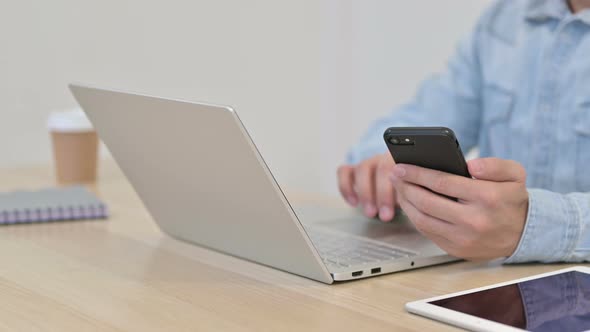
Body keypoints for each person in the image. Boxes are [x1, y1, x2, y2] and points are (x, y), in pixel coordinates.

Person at [337, 0, 590, 263]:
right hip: (491, 283)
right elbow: (429, 113)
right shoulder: (505, 19)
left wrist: (534, 223)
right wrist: (380, 163)